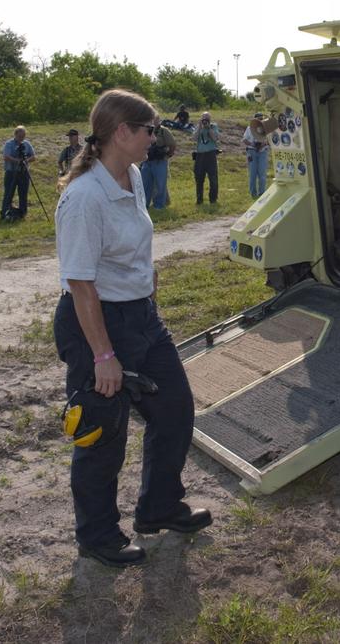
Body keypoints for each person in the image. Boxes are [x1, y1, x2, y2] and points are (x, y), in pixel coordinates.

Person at [54, 88, 210, 568]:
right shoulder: (83, 198)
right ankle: (98, 536)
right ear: (122, 133)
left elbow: (135, 246)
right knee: (103, 434)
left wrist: (148, 290)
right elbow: (80, 283)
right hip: (97, 321)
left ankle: (158, 507)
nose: (154, 138)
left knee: (175, 410)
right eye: (149, 130)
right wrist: (104, 355)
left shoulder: (134, 175)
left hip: (141, 314)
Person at [0, 126, 36, 220]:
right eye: (20, 136)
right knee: (9, 193)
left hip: (23, 172)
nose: (22, 138)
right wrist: (17, 161)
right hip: (11, 172)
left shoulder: (27, 144)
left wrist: (25, 161)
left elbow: (33, 157)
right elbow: (6, 157)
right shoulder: (9, 144)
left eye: (23, 135)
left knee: (23, 193)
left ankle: (22, 213)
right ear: (15, 134)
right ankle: (5, 212)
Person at [140, 123, 177, 210]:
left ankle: (159, 205)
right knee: (145, 184)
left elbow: (172, 144)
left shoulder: (164, 131)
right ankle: (144, 205)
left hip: (159, 161)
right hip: (147, 161)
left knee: (160, 185)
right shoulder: (144, 130)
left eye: (155, 120)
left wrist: (168, 155)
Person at [192, 112, 221, 205]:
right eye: (203, 118)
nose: (205, 120)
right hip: (200, 155)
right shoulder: (198, 126)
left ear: (210, 119)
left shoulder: (213, 126)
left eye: (207, 118)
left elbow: (215, 138)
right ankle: (199, 199)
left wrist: (208, 128)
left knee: (213, 178)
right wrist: (200, 127)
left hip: (210, 154)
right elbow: (194, 138)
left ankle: (213, 199)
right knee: (199, 178)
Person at [243, 112, 270, 198]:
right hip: (252, 152)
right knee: (252, 173)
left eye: (261, 118)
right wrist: (252, 144)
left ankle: (262, 193)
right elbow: (244, 140)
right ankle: (253, 193)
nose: (260, 120)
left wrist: (264, 143)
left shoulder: (266, 128)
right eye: (258, 118)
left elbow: (271, 140)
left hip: (263, 152)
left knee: (262, 174)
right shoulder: (249, 128)